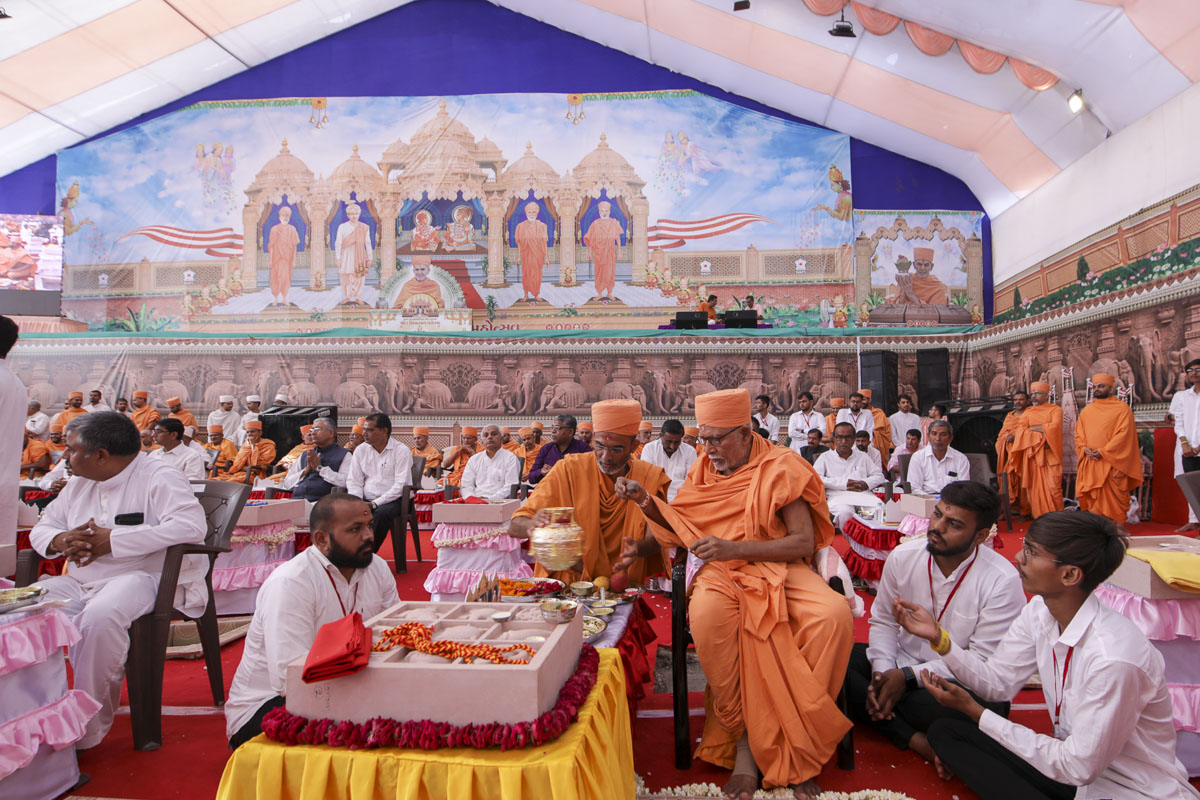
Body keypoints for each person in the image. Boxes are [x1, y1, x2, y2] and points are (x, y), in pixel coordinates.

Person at [613, 388, 853, 800]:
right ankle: (746, 747)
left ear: (745, 432)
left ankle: (796, 748)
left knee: (832, 616)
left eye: (717, 438)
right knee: (706, 617)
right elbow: (682, 526)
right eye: (703, 439)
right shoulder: (703, 470)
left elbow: (801, 541)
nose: (708, 448)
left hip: (779, 567)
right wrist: (647, 504)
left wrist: (737, 548)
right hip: (720, 573)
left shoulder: (782, 466)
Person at [894, 511, 1200, 800]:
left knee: (975, 733)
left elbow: (1078, 767)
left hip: (1128, 788)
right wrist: (939, 639)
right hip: (1071, 768)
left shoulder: (1112, 659)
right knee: (947, 733)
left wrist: (977, 712)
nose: (1017, 557)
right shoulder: (1041, 611)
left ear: (1069, 574)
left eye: (1030, 552)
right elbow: (997, 683)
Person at [28, 411, 207, 749]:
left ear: (100, 456)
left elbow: (191, 527)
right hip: (81, 580)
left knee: (99, 618)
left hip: (144, 577)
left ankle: (85, 730)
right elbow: (43, 526)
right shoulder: (79, 483)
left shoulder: (159, 475)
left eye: (71, 450)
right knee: (26, 609)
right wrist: (62, 540)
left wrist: (114, 540)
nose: (65, 456)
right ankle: (30, 718)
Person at [845, 482, 1025, 772]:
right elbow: (883, 621)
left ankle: (897, 723)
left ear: (980, 536)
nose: (937, 527)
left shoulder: (1001, 581)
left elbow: (981, 663)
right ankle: (919, 740)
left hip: (958, 683)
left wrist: (906, 678)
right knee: (833, 662)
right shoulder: (904, 557)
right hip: (900, 665)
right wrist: (882, 673)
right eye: (937, 515)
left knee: (972, 713)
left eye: (953, 523)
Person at [224, 494, 399, 749]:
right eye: (355, 529)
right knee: (372, 736)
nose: (369, 536)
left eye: (369, 526)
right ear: (321, 539)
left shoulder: (378, 569)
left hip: (348, 688)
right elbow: (289, 679)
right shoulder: (291, 583)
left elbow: (396, 635)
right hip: (271, 704)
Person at [507, 399, 669, 585]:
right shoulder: (567, 469)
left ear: (633, 446)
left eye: (616, 449)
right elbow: (515, 526)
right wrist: (533, 525)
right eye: (599, 446)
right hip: (571, 583)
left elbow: (656, 540)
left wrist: (637, 548)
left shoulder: (648, 476)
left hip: (622, 583)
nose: (606, 457)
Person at [1075, 373, 1142, 525]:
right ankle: (1098, 527)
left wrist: (1103, 452)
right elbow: (1079, 434)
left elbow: (1124, 435)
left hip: (1113, 462)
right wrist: (1084, 448)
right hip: (1091, 461)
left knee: (1116, 498)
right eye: (1095, 386)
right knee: (1094, 497)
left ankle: (1116, 527)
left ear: (1111, 389)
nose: (1097, 389)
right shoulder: (1087, 410)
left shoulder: (1122, 409)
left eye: (1101, 386)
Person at [346, 412, 414, 555]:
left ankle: (364, 556)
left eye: (370, 430)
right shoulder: (361, 450)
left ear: (384, 431)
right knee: (343, 511)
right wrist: (357, 502)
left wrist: (374, 504)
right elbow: (354, 480)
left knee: (380, 514)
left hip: (395, 500)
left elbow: (401, 486)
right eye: (364, 429)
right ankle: (344, 553)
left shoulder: (401, 451)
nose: (364, 433)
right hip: (366, 498)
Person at [815, 422, 886, 529]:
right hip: (838, 496)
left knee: (879, 511)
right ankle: (852, 544)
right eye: (840, 437)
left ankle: (867, 544)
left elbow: (879, 476)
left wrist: (864, 483)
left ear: (853, 439)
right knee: (845, 513)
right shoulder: (825, 457)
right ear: (834, 438)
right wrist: (844, 484)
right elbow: (816, 478)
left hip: (863, 496)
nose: (843, 441)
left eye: (847, 437)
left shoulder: (863, 457)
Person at [1009, 382, 1064, 517]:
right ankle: (1041, 518)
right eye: (1033, 394)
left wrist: (1032, 429)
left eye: (1038, 393)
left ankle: (1060, 519)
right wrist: (1042, 431)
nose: (1034, 396)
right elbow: (1020, 430)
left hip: (1050, 456)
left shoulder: (1055, 410)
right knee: (1034, 490)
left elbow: (1055, 427)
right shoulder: (1028, 412)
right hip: (1033, 457)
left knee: (1054, 489)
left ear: (1047, 395)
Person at [283, 418, 350, 501]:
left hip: (323, 504)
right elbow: (286, 484)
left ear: (331, 433)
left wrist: (320, 469)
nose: (313, 433)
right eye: (312, 429)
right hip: (297, 501)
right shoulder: (306, 454)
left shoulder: (344, 455)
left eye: (318, 429)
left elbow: (346, 482)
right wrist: (306, 470)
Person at [1170, 358, 1200, 532]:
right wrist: (1185, 443)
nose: (1194, 373)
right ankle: (1194, 520)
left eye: (1198, 369)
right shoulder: (1181, 396)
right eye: (1190, 371)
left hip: (1197, 448)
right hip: (1186, 448)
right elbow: (1178, 420)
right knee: (1192, 486)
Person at [638, 419, 697, 501]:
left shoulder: (690, 451)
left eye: (676, 442)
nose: (672, 446)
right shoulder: (649, 449)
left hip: (682, 499)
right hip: (656, 499)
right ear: (661, 435)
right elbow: (648, 480)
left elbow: (691, 482)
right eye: (668, 441)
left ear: (681, 438)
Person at [907, 420, 971, 495]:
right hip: (925, 499)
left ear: (951, 438)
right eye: (934, 434)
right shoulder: (918, 457)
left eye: (943, 434)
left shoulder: (961, 458)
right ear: (928, 436)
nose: (938, 438)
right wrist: (931, 500)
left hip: (952, 500)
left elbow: (963, 487)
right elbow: (914, 488)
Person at [460, 425, 522, 501]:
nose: (489, 437)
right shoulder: (474, 459)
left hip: (500, 502)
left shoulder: (510, 458)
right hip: (475, 501)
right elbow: (466, 485)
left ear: (502, 439)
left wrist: (490, 499)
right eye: (486, 435)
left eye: (494, 434)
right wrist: (472, 499)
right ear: (482, 441)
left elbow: (510, 486)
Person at [996, 391, 1031, 518]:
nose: (1018, 402)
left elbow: (1031, 432)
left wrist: (1017, 437)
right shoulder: (1009, 416)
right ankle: (1006, 510)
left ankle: (1025, 511)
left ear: (1027, 401)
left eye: (1021, 399)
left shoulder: (1031, 414)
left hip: (1024, 455)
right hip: (1009, 455)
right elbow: (1001, 435)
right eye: (1016, 399)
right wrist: (1006, 438)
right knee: (1006, 481)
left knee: (1024, 483)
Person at [528, 414, 591, 483]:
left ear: (570, 432)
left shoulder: (583, 449)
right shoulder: (546, 449)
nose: (553, 431)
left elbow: (589, 474)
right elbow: (531, 477)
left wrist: (556, 472)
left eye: (557, 428)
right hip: (550, 490)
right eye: (552, 428)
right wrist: (541, 472)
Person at [583, 200, 623, 301]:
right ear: (599, 212)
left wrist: (619, 251)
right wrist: (589, 252)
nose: (604, 213)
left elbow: (617, 238)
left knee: (610, 272)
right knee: (599, 273)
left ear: (609, 211)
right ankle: (599, 293)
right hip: (598, 253)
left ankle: (609, 293)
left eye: (606, 211)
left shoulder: (614, 223)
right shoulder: (595, 224)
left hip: (610, 252)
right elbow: (591, 239)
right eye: (602, 211)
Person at [334, 202, 372, 307]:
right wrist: (338, 258)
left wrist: (370, 257)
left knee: (359, 277)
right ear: (347, 215)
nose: (354, 216)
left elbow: (367, 243)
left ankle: (357, 297)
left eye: (356, 213)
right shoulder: (342, 227)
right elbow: (338, 243)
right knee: (345, 276)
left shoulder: (364, 227)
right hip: (346, 254)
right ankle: (347, 296)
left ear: (359, 214)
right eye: (351, 214)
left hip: (360, 255)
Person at [267, 205, 300, 308]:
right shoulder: (274, 229)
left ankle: (285, 298)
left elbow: (294, 247)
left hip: (287, 260)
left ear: (289, 216)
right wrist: (270, 260)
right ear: (279, 216)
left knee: (285, 279)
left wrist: (294, 260)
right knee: (275, 278)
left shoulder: (292, 229)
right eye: (283, 215)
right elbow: (271, 246)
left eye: (287, 215)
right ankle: (276, 299)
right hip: (276, 259)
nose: (285, 217)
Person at [515, 201, 548, 301]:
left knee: (537, 275)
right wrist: (519, 256)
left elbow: (544, 242)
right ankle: (526, 295)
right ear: (526, 213)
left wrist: (547, 257)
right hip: (526, 255)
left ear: (537, 213)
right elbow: (519, 243)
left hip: (538, 255)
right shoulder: (520, 226)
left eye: (534, 212)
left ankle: (536, 294)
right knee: (526, 274)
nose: (532, 214)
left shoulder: (542, 226)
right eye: (530, 212)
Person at [861, 388, 893, 469]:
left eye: (864, 399)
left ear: (870, 400)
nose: (861, 402)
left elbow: (884, 431)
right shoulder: (857, 414)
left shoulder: (878, 413)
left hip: (876, 444)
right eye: (859, 400)